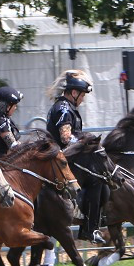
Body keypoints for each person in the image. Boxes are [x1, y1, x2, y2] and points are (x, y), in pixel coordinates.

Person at [46, 68, 107, 245]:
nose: (83, 99)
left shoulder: (65, 106)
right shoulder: (64, 109)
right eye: (82, 95)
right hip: (63, 159)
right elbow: (66, 137)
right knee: (96, 180)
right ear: (74, 92)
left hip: (67, 156)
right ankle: (89, 227)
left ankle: (91, 220)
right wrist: (85, 141)